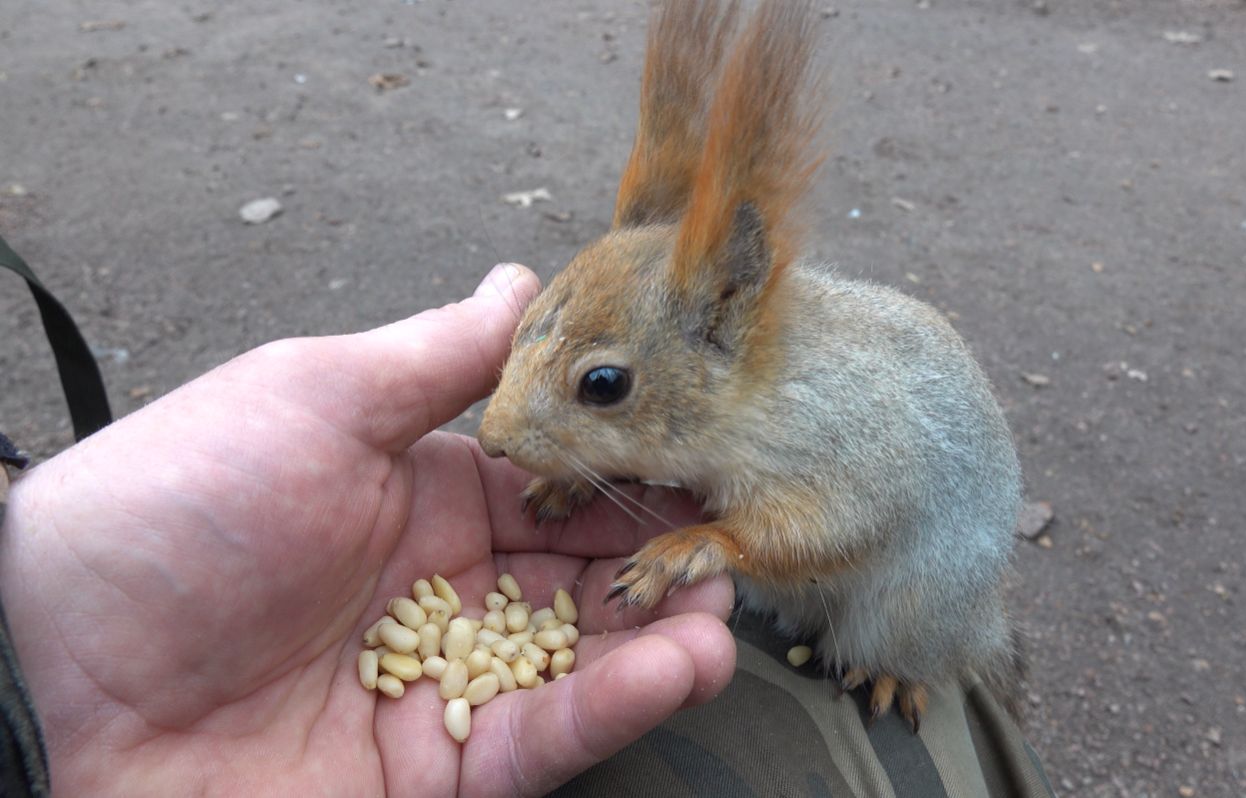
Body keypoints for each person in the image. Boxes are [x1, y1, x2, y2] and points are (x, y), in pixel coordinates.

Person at [1, 263, 1055, 797]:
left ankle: (913, 673)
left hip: (890, 569)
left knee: (894, 635)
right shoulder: (689, 395)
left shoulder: (811, 420)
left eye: (598, 387)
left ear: (718, 340)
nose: (494, 440)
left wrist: (724, 544)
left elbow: (850, 517)